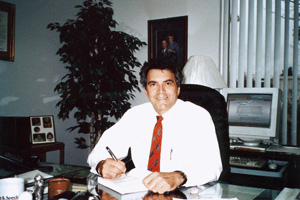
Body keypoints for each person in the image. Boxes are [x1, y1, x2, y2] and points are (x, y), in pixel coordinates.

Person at [87, 58, 222, 194]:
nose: (160, 91)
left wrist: (178, 176)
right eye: (153, 85)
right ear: (146, 91)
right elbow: (99, 152)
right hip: (141, 191)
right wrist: (102, 165)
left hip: (184, 193)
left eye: (167, 83)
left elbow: (213, 167)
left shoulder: (197, 116)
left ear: (178, 88)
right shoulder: (135, 115)